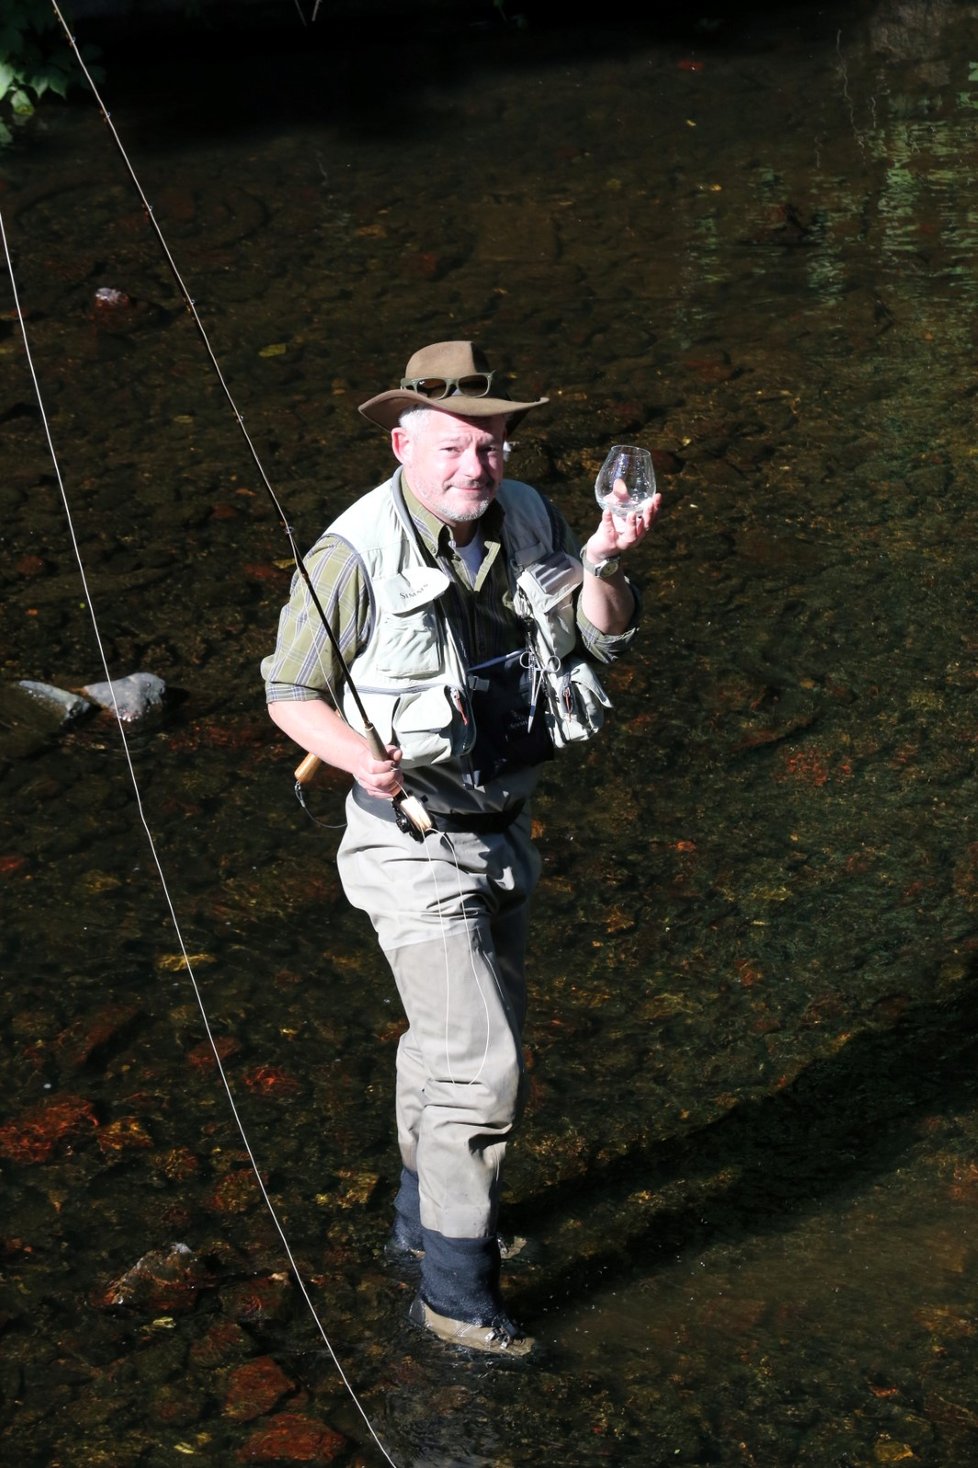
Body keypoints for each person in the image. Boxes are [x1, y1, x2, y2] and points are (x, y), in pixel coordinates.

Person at [261, 340, 657, 1356]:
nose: (473, 467)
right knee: (482, 1069)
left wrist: (607, 560)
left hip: (503, 828)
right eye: (450, 447)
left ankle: (415, 1222)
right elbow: (288, 693)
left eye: (490, 445)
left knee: (450, 1046)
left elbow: (603, 635)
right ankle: (456, 1295)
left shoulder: (531, 515)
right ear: (404, 443)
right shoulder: (347, 556)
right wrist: (359, 759)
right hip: (409, 840)